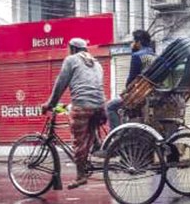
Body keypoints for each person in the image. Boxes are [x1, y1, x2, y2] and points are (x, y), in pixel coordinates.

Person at [41, 38, 105, 189]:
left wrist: (50, 104)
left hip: (83, 106)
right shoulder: (96, 62)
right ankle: (95, 143)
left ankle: (81, 176)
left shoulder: (71, 60)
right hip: (101, 107)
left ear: (73, 49)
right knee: (88, 124)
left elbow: (61, 83)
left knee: (78, 140)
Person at [106, 29, 156, 130]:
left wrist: (126, 92)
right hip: (151, 93)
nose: (132, 44)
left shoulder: (137, 56)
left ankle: (116, 134)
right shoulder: (154, 56)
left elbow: (131, 80)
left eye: (134, 41)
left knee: (110, 106)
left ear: (138, 42)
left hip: (140, 96)